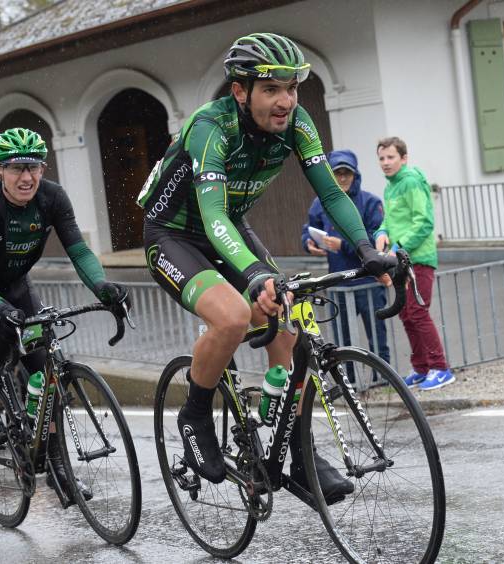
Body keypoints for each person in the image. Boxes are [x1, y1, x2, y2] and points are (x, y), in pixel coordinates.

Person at [138, 33, 388, 501]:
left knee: (289, 319)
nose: (286, 100)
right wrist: (255, 276)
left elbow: (331, 194)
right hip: (173, 234)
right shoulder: (210, 127)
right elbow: (210, 217)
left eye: (291, 88)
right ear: (240, 91)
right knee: (233, 315)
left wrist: (366, 248)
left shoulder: (297, 122)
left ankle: (297, 450)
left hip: (230, 226)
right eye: (272, 89)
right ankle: (194, 414)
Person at [0, 127, 130, 499]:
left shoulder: (52, 197)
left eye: (34, 167)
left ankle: (59, 469)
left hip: (15, 282)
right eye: (16, 168)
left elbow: (78, 250)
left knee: (45, 375)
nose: (27, 177)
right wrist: (0, 310)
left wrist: (103, 287)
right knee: (3, 323)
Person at [374, 136, 454, 390]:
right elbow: (389, 220)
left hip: (418, 258)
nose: (385, 163)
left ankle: (440, 367)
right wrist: (381, 233)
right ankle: (421, 367)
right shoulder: (390, 186)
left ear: (404, 158)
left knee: (417, 312)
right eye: (382, 158)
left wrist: (399, 246)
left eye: (391, 157)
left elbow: (424, 222)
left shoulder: (410, 182)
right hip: (402, 260)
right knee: (407, 313)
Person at [301, 150, 390, 376]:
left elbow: (375, 242)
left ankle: (383, 381)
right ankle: (349, 382)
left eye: (346, 173)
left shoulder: (370, 202)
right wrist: (308, 242)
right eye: (337, 173)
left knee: (376, 334)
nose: (342, 178)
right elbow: (308, 228)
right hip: (338, 282)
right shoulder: (319, 203)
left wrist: (343, 245)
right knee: (342, 339)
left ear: (355, 174)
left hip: (367, 282)